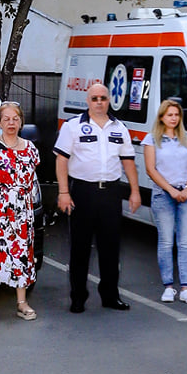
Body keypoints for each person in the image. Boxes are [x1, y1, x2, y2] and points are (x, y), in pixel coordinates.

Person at [54, 82, 140, 313]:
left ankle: (110, 296)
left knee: (110, 247)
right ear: (88, 101)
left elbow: (128, 162)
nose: (99, 102)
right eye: (95, 98)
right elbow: (61, 160)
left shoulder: (119, 128)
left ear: (109, 100)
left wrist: (135, 191)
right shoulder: (73, 126)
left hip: (111, 193)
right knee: (80, 248)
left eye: (103, 98)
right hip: (82, 192)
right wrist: (64, 192)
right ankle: (78, 297)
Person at [0, 101, 40, 322]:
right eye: (6, 119)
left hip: (21, 213)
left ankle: (21, 302)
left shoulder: (30, 149)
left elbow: (31, 179)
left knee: (21, 254)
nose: (11, 123)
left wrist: (18, 200)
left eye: (15, 119)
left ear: (21, 122)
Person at [143, 98, 187, 305]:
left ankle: (186, 287)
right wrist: (171, 190)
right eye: (169, 115)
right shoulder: (151, 140)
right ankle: (168, 286)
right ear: (161, 117)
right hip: (163, 195)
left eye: (177, 115)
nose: (174, 118)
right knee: (166, 241)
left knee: (185, 242)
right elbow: (151, 169)